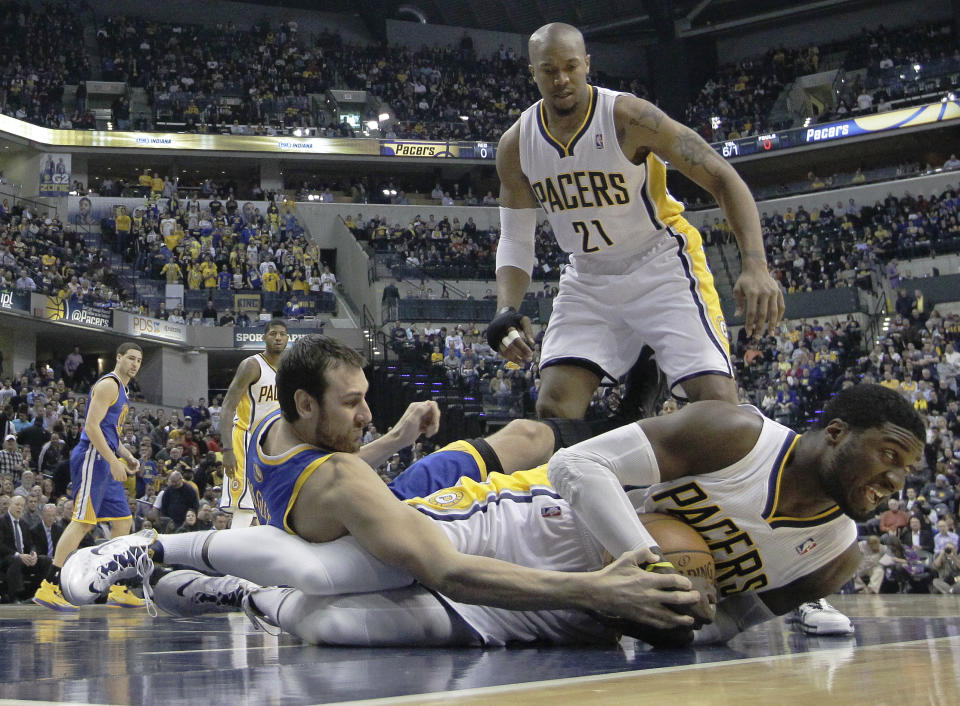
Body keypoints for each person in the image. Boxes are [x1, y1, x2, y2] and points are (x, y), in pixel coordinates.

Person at [61, 335, 700, 643]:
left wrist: (392, 440)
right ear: (306, 405)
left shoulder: (271, 423)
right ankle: (194, 568)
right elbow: (441, 565)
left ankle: (210, 576)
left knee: (530, 436)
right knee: (326, 608)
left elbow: (340, 463)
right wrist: (593, 589)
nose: (365, 413)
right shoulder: (337, 481)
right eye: (355, 403)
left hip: (387, 501)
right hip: (405, 514)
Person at [489, 22, 783, 420]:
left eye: (570, 67)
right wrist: (506, 308)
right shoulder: (516, 144)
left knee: (717, 407)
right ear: (532, 72)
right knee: (554, 409)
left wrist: (756, 264)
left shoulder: (628, 117)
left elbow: (721, 176)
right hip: (589, 276)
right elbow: (516, 240)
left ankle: (651, 378)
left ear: (587, 65)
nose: (561, 79)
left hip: (659, 261)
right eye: (548, 70)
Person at [32, 343, 145, 611]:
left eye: (139, 360)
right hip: (93, 457)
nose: (135, 364)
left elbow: (111, 434)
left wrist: (127, 456)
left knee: (123, 521)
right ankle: (49, 586)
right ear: (118, 358)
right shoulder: (109, 385)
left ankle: (117, 587)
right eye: (130, 358)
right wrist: (112, 461)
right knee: (83, 522)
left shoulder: (123, 389)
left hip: (104, 456)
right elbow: (92, 428)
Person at [218, 319, 289, 529]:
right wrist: (227, 449)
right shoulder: (252, 365)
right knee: (243, 507)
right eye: (273, 333)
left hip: (273, 444)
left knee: (267, 506)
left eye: (282, 334)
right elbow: (228, 407)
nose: (278, 337)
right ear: (264, 337)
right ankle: (231, 559)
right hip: (246, 439)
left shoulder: (288, 369)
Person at [1, 495, 52, 602]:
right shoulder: (2, 521)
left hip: (24, 559)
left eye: (22, 506)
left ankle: (35, 593)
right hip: (6, 559)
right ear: (10, 504)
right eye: (17, 505)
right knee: (16, 560)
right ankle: (15, 596)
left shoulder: (24, 524)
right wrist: (18, 554)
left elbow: (31, 544)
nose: (19, 508)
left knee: (46, 560)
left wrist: (33, 554)